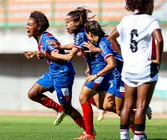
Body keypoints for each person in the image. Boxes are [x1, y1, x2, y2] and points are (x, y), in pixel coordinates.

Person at [51, 7, 115, 140]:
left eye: (68, 22)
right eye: (65, 22)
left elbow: (70, 57)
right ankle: (132, 116)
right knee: (104, 105)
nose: (66, 25)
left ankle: (89, 134)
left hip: (101, 69)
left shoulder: (81, 34)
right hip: (96, 69)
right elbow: (76, 46)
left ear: (76, 22)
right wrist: (61, 47)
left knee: (83, 98)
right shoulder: (80, 34)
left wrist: (50, 55)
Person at [108, 0, 164, 139]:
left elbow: (111, 38)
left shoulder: (126, 20)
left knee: (127, 105)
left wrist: (123, 55)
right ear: (146, 4)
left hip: (128, 68)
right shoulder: (151, 20)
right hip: (145, 67)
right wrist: (158, 60)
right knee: (141, 105)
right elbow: (159, 39)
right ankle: (139, 137)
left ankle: (124, 136)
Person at [24, 11, 86, 131]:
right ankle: (59, 110)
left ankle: (88, 131)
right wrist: (36, 53)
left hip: (63, 74)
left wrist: (45, 56)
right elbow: (46, 53)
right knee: (33, 94)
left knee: (68, 108)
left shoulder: (47, 39)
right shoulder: (41, 39)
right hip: (53, 72)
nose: (27, 27)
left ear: (38, 27)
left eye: (29, 24)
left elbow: (61, 60)